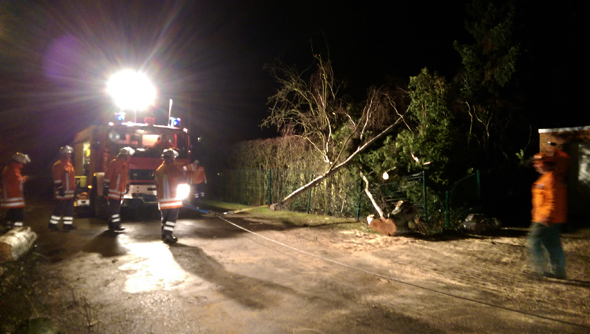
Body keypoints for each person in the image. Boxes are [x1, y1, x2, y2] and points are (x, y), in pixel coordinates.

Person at [527, 153, 567, 279]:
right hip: (548, 218)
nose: (535, 165)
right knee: (552, 244)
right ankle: (558, 272)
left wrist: (547, 216)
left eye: (537, 162)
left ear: (543, 163)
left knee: (533, 242)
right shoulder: (548, 178)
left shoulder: (550, 179)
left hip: (545, 219)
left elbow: (553, 199)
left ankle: (538, 269)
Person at [155, 149, 185, 243]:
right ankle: (168, 235)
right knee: (171, 218)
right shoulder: (172, 168)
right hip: (172, 198)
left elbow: (156, 184)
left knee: (165, 218)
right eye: (174, 158)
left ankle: (164, 235)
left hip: (162, 199)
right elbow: (181, 177)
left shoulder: (159, 169)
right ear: (171, 158)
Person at [103, 147, 135, 232]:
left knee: (115, 209)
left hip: (119, 191)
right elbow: (107, 176)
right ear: (125, 155)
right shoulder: (115, 163)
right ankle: (116, 225)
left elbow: (125, 178)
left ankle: (111, 224)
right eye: (129, 155)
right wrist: (106, 187)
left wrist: (127, 186)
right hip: (113, 190)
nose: (129, 157)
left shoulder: (124, 164)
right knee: (115, 209)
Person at [49, 146, 77, 231]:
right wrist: (60, 189)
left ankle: (67, 225)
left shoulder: (69, 165)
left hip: (69, 192)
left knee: (69, 209)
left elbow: (72, 178)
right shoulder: (58, 165)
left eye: (70, 153)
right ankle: (52, 224)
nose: (69, 154)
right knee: (59, 209)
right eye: (67, 153)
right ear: (63, 154)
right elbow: (57, 178)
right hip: (62, 191)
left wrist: (74, 189)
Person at [1, 153, 31, 229]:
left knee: (11, 213)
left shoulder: (9, 168)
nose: (23, 164)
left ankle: (8, 227)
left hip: (10, 196)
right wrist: (25, 178)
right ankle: (17, 229)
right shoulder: (13, 170)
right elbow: (17, 181)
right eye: (22, 163)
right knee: (18, 214)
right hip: (14, 197)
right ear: (18, 162)